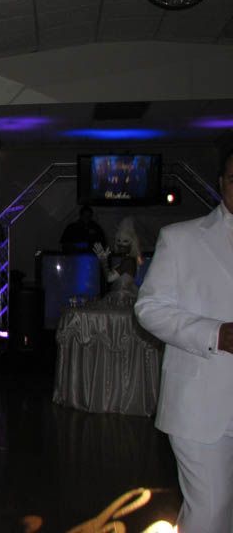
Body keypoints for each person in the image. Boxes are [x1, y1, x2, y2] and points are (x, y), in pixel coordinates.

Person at [135, 150, 233, 533]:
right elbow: (150, 309)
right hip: (201, 404)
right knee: (210, 512)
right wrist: (215, 333)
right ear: (221, 183)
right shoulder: (181, 239)